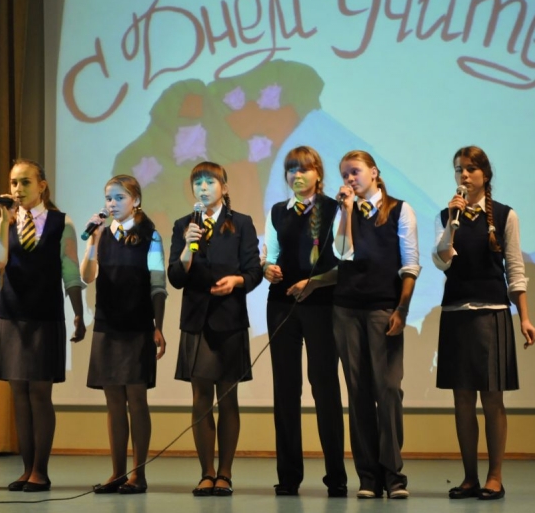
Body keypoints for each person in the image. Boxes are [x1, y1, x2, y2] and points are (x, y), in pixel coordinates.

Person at [434, 145, 535, 501]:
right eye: (459, 169)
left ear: (485, 175)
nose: (464, 175)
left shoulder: (506, 215)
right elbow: (442, 260)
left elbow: (515, 269)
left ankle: (495, 476)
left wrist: (524, 317)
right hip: (455, 314)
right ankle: (469, 477)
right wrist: (452, 220)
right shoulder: (446, 215)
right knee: (462, 399)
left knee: (492, 398)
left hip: (492, 312)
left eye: (471, 169)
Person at [0, 159, 86, 492]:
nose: (18, 189)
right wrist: (5, 221)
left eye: (25, 182)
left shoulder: (61, 222)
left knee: (40, 393)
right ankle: (26, 469)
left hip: (45, 315)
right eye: (14, 183)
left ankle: (40, 471)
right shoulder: (4, 222)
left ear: (42, 185)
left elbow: (70, 270)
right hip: (12, 315)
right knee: (19, 394)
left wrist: (78, 312)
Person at [168, 161, 263, 497]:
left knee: (228, 397)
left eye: (210, 182)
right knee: (200, 398)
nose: (204, 188)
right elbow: (175, 278)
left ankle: (225, 473)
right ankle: (206, 472)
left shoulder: (241, 223)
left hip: (229, 320)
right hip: (196, 321)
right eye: (198, 183)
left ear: (224, 187)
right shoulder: (184, 225)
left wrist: (237, 281)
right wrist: (186, 249)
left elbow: (254, 271)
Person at [332, 150, 420, 499]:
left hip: (384, 308)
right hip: (347, 310)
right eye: (345, 174)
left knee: (388, 390)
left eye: (355, 172)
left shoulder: (399, 209)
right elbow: (342, 253)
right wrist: (346, 211)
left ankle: (393, 474)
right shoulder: (344, 210)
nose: (349, 179)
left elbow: (410, 264)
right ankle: (368, 476)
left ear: (374, 172)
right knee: (359, 393)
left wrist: (402, 308)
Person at [262, 146, 347, 497]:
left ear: (318, 174)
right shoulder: (277, 211)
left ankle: (336, 477)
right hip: (281, 305)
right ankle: (288, 477)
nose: (297, 175)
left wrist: (313, 283)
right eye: (291, 170)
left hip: (322, 305)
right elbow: (269, 255)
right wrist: (267, 269)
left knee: (324, 386)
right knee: (285, 389)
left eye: (304, 169)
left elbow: (345, 262)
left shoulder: (335, 209)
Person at [81, 175, 167, 494]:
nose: (112, 203)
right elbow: (87, 276)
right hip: (107, 324)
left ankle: (138, 474)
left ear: (136, 200)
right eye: (109, 198)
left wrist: (159, 325)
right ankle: (117, 473)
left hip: (138, 326)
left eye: (119, 198)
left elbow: (158, 284)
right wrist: (91, 242)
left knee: (136, 399)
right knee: (114, 401)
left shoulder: (150, 235)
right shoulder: (101, 235)